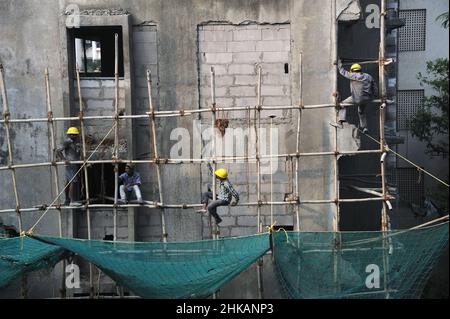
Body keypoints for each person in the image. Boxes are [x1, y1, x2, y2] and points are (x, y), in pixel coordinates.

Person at [331, 59, 378, 134]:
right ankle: (364, 127)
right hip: (367, 99)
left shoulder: (353, 75)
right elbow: (374, 87)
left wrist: (339, 63)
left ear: (352, 70)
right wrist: (374, 96)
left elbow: (342, 71)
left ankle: (340, 122)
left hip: (356, 98)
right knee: (361, 112)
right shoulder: (368, 76)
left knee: (342, 104)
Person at [57, 127, 82, 206]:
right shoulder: (67, 142)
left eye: (74, 134)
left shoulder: (76, 143)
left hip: (74, 164)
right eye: (72, 134)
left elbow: (77, 153)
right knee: (73, 181)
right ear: (69, 135)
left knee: (68, 182)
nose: (73, 136)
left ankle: (67, 200)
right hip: (70, 164)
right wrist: (64, 159)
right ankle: (72, 201)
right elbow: (58, 150)